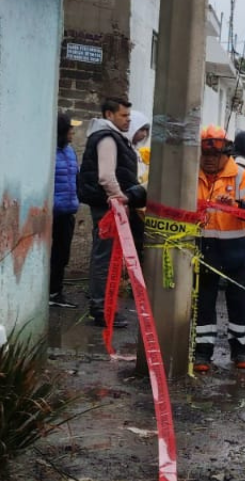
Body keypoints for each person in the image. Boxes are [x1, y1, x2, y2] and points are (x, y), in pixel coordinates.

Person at [193, 126, 245, 373]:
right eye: (205, 155)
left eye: (215, 155)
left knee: (240, 304)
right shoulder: (191, 175)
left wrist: (238, 205)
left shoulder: (241, 176)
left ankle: (240, 350)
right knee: (203, 305)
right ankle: (202, 353)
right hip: (205, 252)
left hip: (238, 254)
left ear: (227, 154)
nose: (209, 159)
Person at [79, 97, 143, 328]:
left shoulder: (111, 137)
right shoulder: (107, 138)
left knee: (105, 256)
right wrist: (120, 200)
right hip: (108, 207)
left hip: (107, 205)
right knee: (105, 258)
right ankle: (101, 308)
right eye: (123, 116)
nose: (128, 120)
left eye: (128, 115)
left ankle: (103, 305)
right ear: (109, 115)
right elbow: (106, 176)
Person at [50, 113, 82, 309]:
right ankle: (51, 292)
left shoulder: (70, 151)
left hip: (67, 212)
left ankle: (55, 291)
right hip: (52, 213)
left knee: (62, 255)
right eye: (70, 128)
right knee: (51, 255)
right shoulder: (48, 152)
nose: (73, 131)